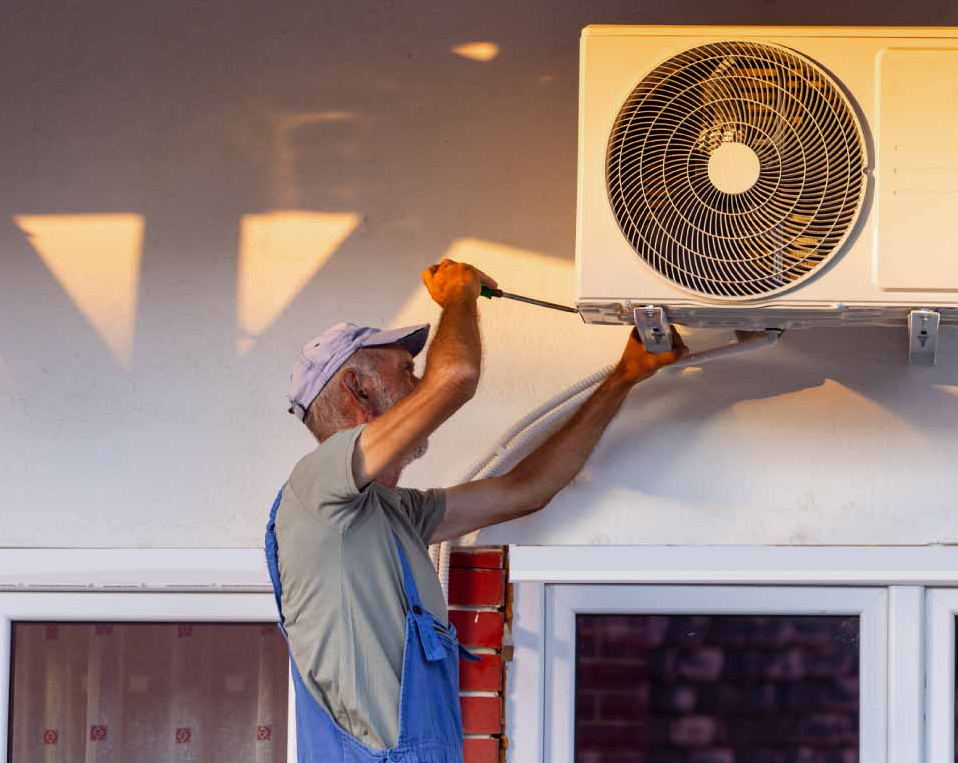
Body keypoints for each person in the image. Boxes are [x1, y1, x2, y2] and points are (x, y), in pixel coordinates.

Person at [264, 258, 687, 762]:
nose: (420, 382)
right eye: (406, 371)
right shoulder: (315, 488)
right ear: (358, 388)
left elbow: (528, 489)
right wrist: (459, 294)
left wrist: (623, 378)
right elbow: (456, 376)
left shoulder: (395, 514)